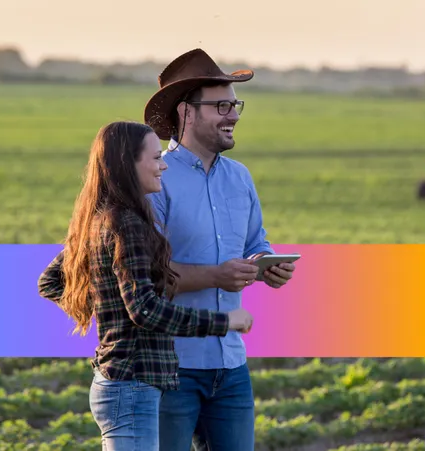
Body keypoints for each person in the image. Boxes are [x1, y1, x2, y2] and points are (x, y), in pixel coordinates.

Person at [36, 120, 255, 451]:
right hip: (132, 385)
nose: (163, 165)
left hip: (116, 381)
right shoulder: (129, 226)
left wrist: (110, 308)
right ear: (128, 163)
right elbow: (146, 310)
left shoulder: (99, 218)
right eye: (155, 158)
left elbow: (50, 282)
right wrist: (225, 322)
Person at [143, 48, 296, 451]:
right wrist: (217, 276)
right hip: (171, 366)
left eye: (235, 104)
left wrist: (267, 265)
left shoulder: (240, 177)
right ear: (186, 112)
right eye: (222, 105)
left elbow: (255, 244)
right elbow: (146, 275)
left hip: (231, 365)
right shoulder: (156, 178)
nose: (234, 114)